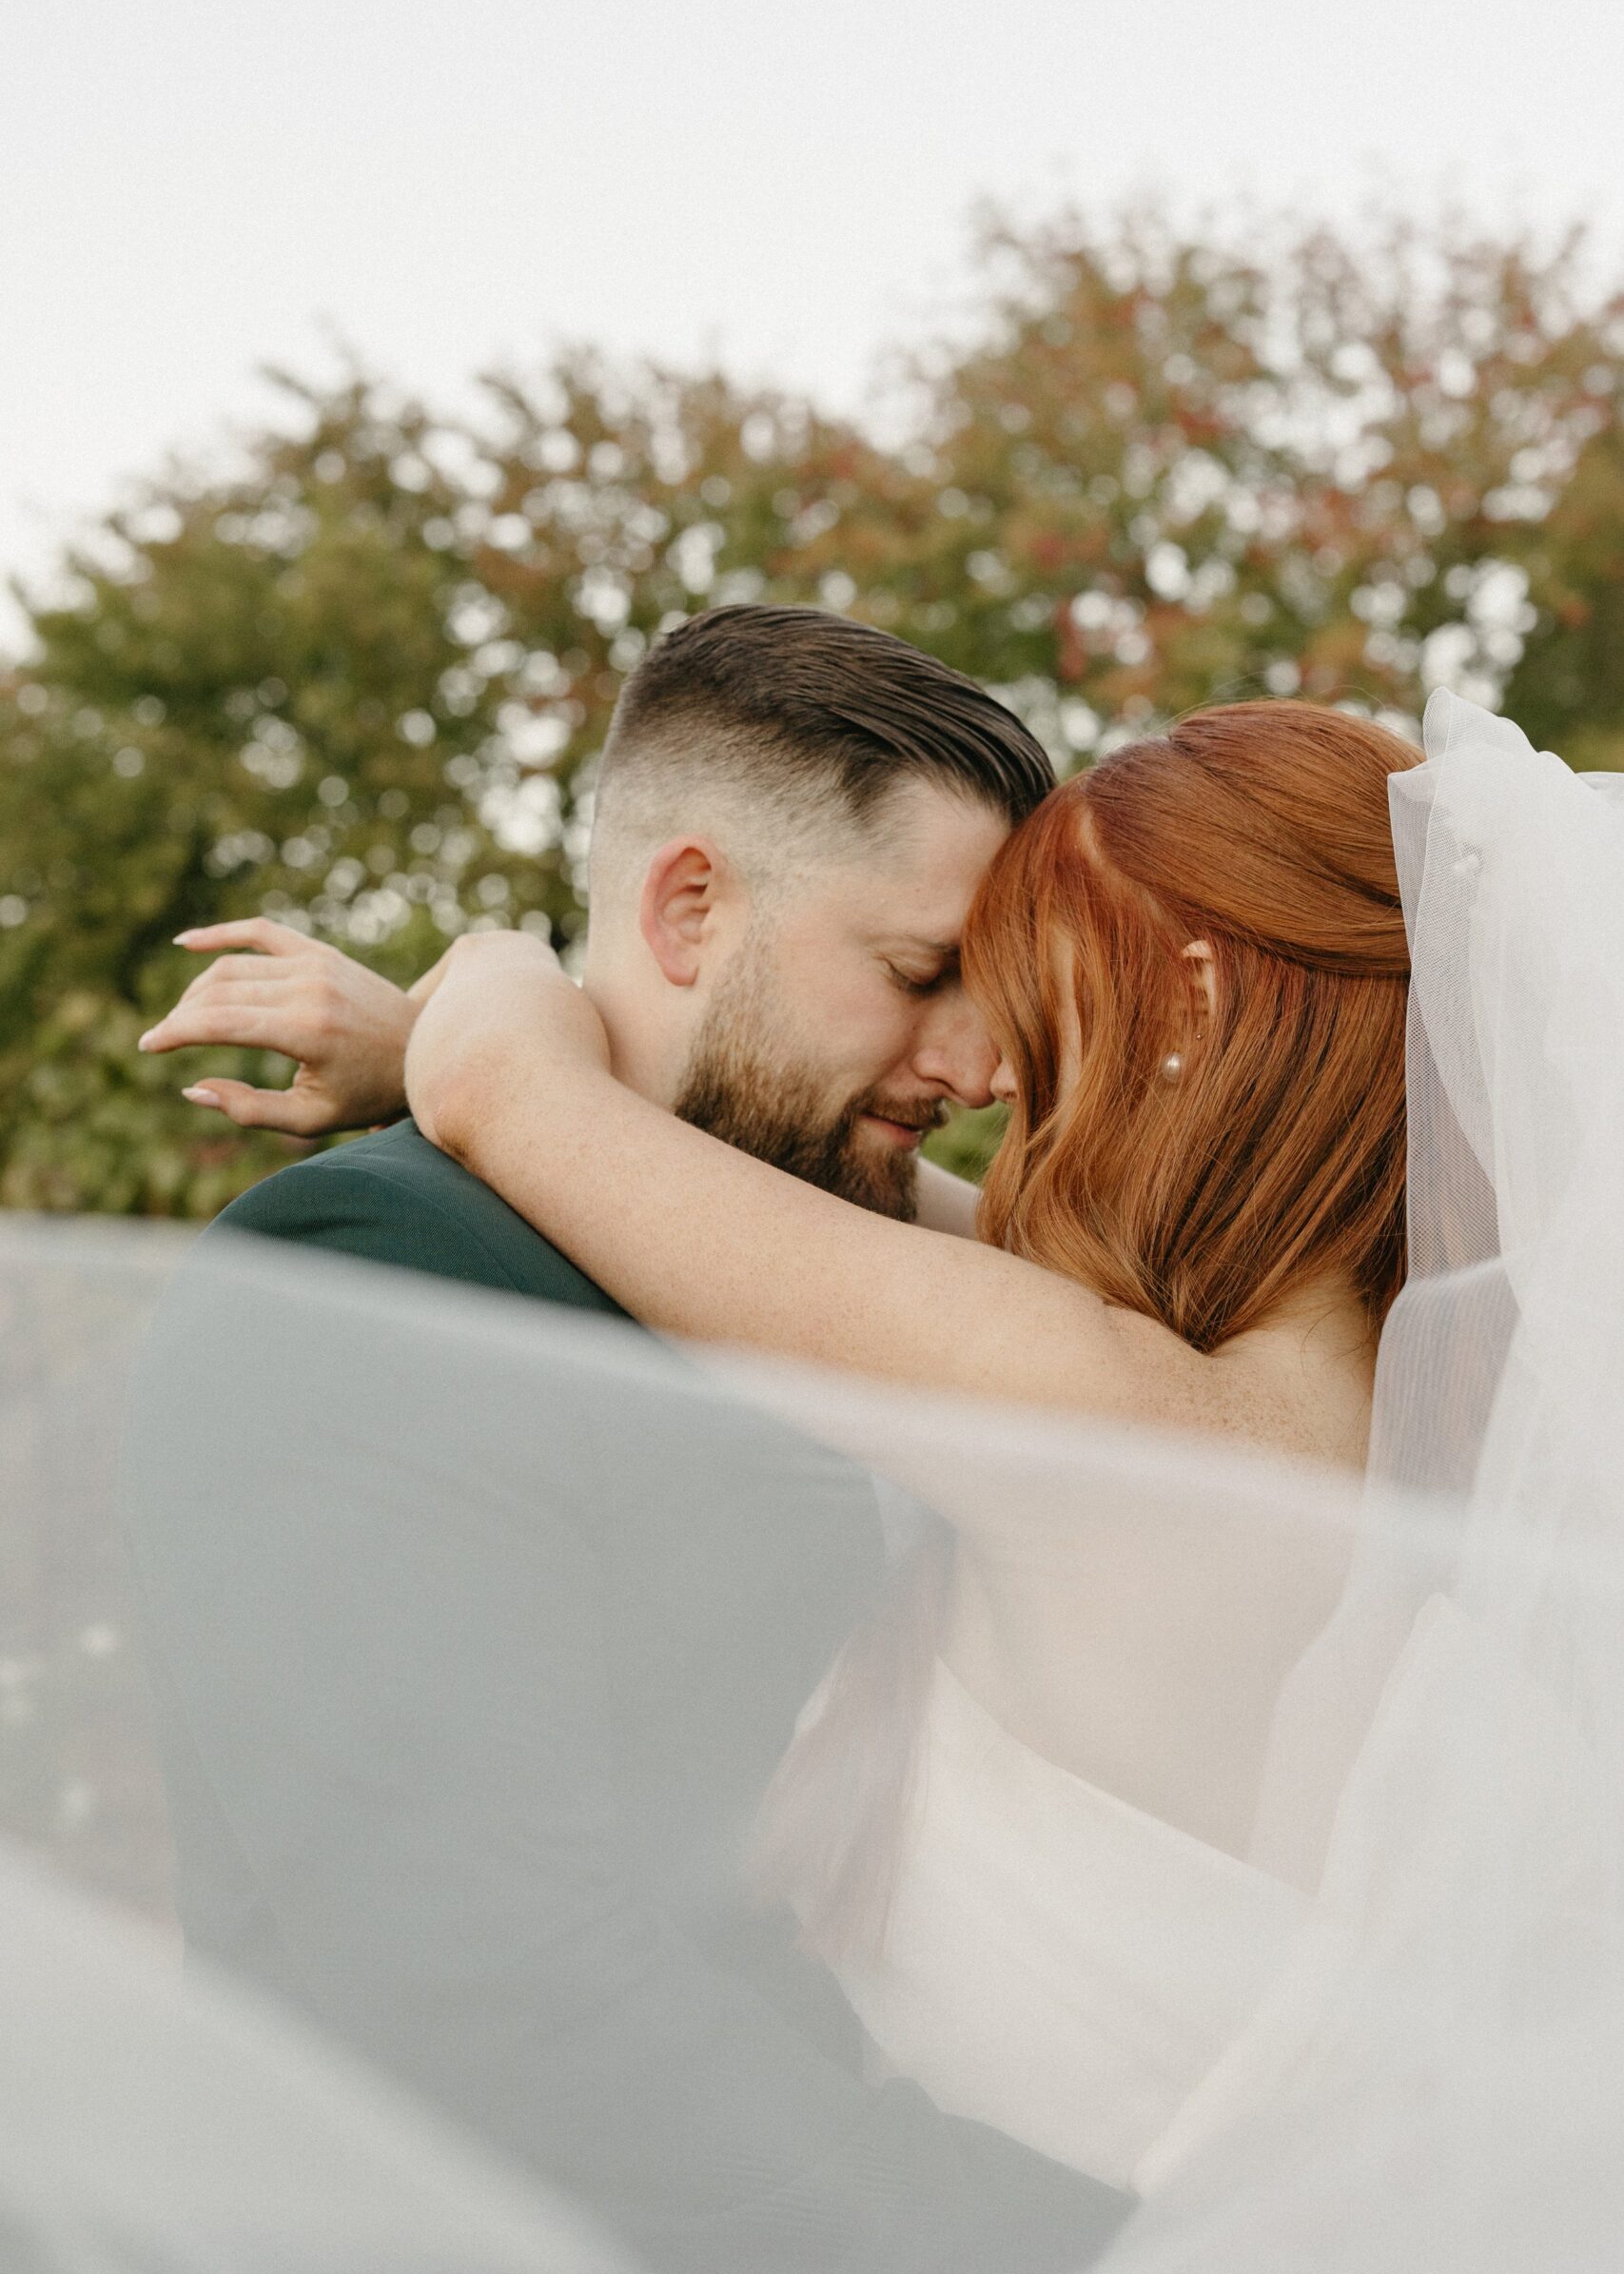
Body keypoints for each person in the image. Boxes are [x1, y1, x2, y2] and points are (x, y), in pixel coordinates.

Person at [124, 605, 1130, 2274]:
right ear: (686, 905)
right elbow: (496, 1992)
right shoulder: (384, 1273)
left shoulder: (800, 1269)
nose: (982, 1065)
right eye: (921, 972)